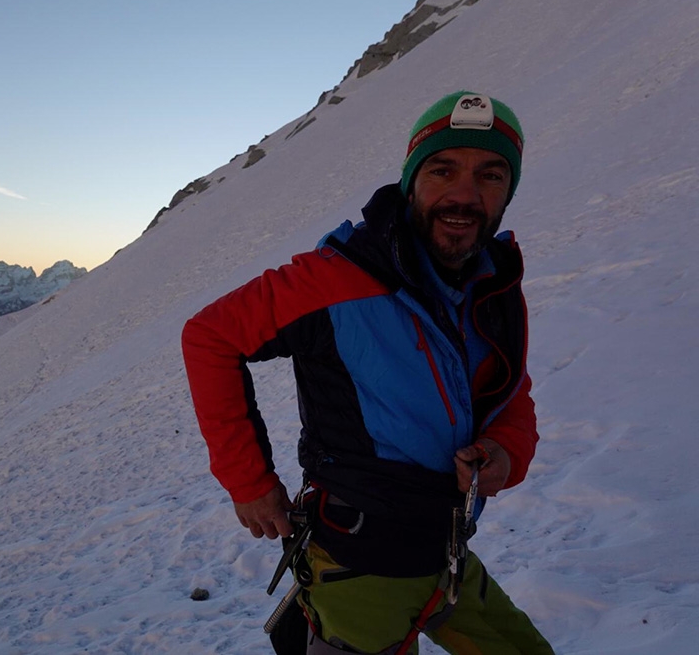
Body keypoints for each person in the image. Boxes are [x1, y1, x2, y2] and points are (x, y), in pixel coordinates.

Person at [181, 91, 554, 654]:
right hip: (356, 566)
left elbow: (510, 393)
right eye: (442, 169)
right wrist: (250, 484)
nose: (465, 194)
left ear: (509, 192)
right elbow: (210, 336)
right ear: (411, 181)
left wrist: (505, 450)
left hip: (444, 554)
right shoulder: (334, 277)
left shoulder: (493, 283)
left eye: (491, 174)